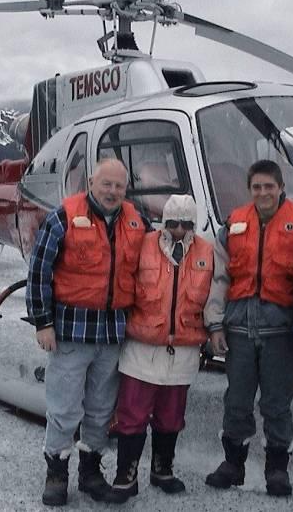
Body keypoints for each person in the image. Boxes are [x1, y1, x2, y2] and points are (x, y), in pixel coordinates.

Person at [26, 158, 147, 507]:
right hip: (71, 331)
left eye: (119, 186)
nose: (112, 192)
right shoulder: (62, 216)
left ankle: (91, 471)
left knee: (100, 409)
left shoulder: (136, 221)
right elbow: (39, 271)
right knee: (64, 408)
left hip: (111, 333)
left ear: (126, 189)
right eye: (106, 184)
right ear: (91, 181)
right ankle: (57, 471)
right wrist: (42, 322)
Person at [204, 159, 293, 497]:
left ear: (281, 187)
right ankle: (233, 464)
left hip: (280, 332)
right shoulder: (233, 225)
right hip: (239, 328)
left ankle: (277, 469)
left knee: (277, 403)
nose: (263, 192)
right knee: (237, 400)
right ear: (249, 189)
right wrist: (215, 324)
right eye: (256, 187)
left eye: (269, 186)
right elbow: (218, 278)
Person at [104, 194, 213, 503]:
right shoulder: (143, 245)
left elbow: (215, 297)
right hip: (142, 347)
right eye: (173, 223)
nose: (179, 230)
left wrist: (214, 333)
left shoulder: (207, 252)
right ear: (164, 222)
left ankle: (163, 468)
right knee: (132, 413)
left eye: (186, 224)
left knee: (171, 415)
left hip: (184, 349)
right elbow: (123, 286)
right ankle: (125, 475)